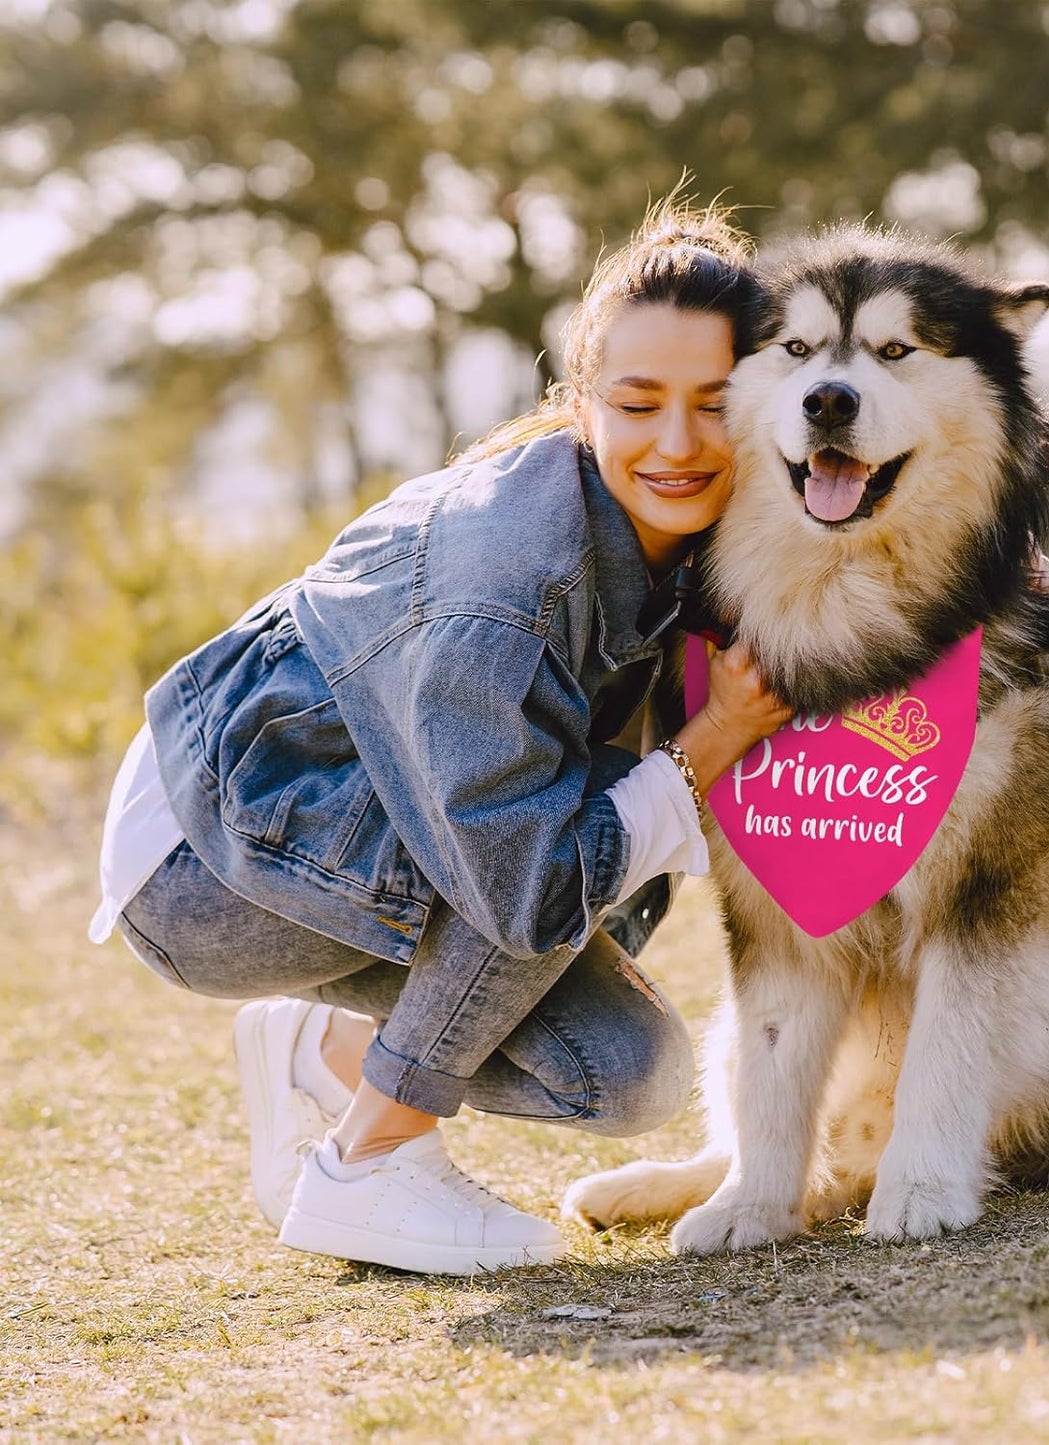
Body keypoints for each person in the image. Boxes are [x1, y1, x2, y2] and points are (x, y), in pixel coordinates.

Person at [88, 198, 792, 1277]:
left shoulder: (692, 519)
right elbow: (531, 893)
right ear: (584, 401)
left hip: (350, 822)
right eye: (639, 403)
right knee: (585, 820)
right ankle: (368, 1161)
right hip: (204, 859)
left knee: (626, 1074)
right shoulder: (505, 589)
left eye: (715, 404)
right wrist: (712, 739)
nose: (679, 443)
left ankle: (322, 1053)